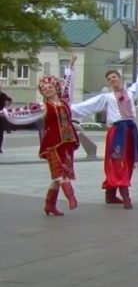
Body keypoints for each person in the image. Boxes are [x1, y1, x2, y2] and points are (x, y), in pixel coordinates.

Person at [70, 57, 138, 209]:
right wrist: (67, 109)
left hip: (130, 130)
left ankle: (110, 195)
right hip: (117, 132)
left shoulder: (130, 92)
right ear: (108, 83)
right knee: (117, 161)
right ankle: (125, 194)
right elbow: (87, 106)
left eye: (114, 77)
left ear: (119, 78)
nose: (112, 80)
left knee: (128, 161)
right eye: (109, 79)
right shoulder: (107, 97)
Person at [0, 56, 79, 215]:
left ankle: (49, 205)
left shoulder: (64, 101)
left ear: (56, 87)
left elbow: (68, 84)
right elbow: (22, 111)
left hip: (67, 143)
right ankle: (71, 197)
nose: (48, 89)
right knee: (59, 174)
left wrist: (70, 66)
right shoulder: (43, 106)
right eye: (44, 88)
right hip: (52, 144)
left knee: (57, 177)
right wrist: (2, 112)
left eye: (50, 86)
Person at [0, 85, 12, 153]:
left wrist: (7, 105)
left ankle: (0, 148)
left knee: (0, 133)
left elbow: (9, 99)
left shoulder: (3, 95)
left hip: (1, 116)